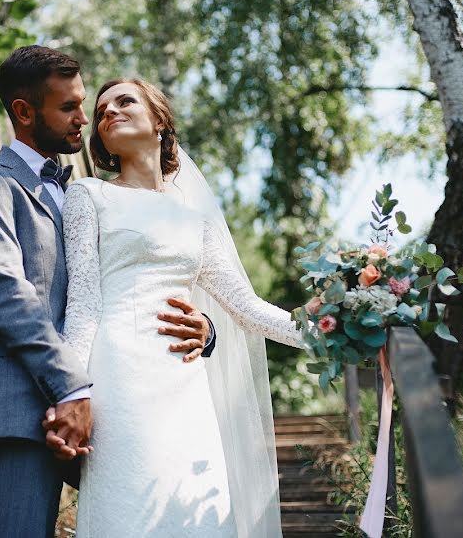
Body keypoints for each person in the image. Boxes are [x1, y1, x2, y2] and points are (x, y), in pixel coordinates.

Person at [0, 47, 216, 538]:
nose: (83, 120)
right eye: (68, 107)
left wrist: (206, 329)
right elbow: (6, 293)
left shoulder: (84, 196)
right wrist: (71, 386)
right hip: (22, 409)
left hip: (106, 415)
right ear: (24, 112)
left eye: (82, 103)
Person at [51, 78, 307, 537]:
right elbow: (84, 303)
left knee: (194, 508)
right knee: (129, 509)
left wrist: (327, 330)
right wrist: (72, 393)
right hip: (119, 379)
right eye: (102, 109)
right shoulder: (89, 196)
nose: (108, 112)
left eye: (125, 101)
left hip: (184, 383)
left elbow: (246, 308)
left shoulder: (196, 217)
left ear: (159, 121)